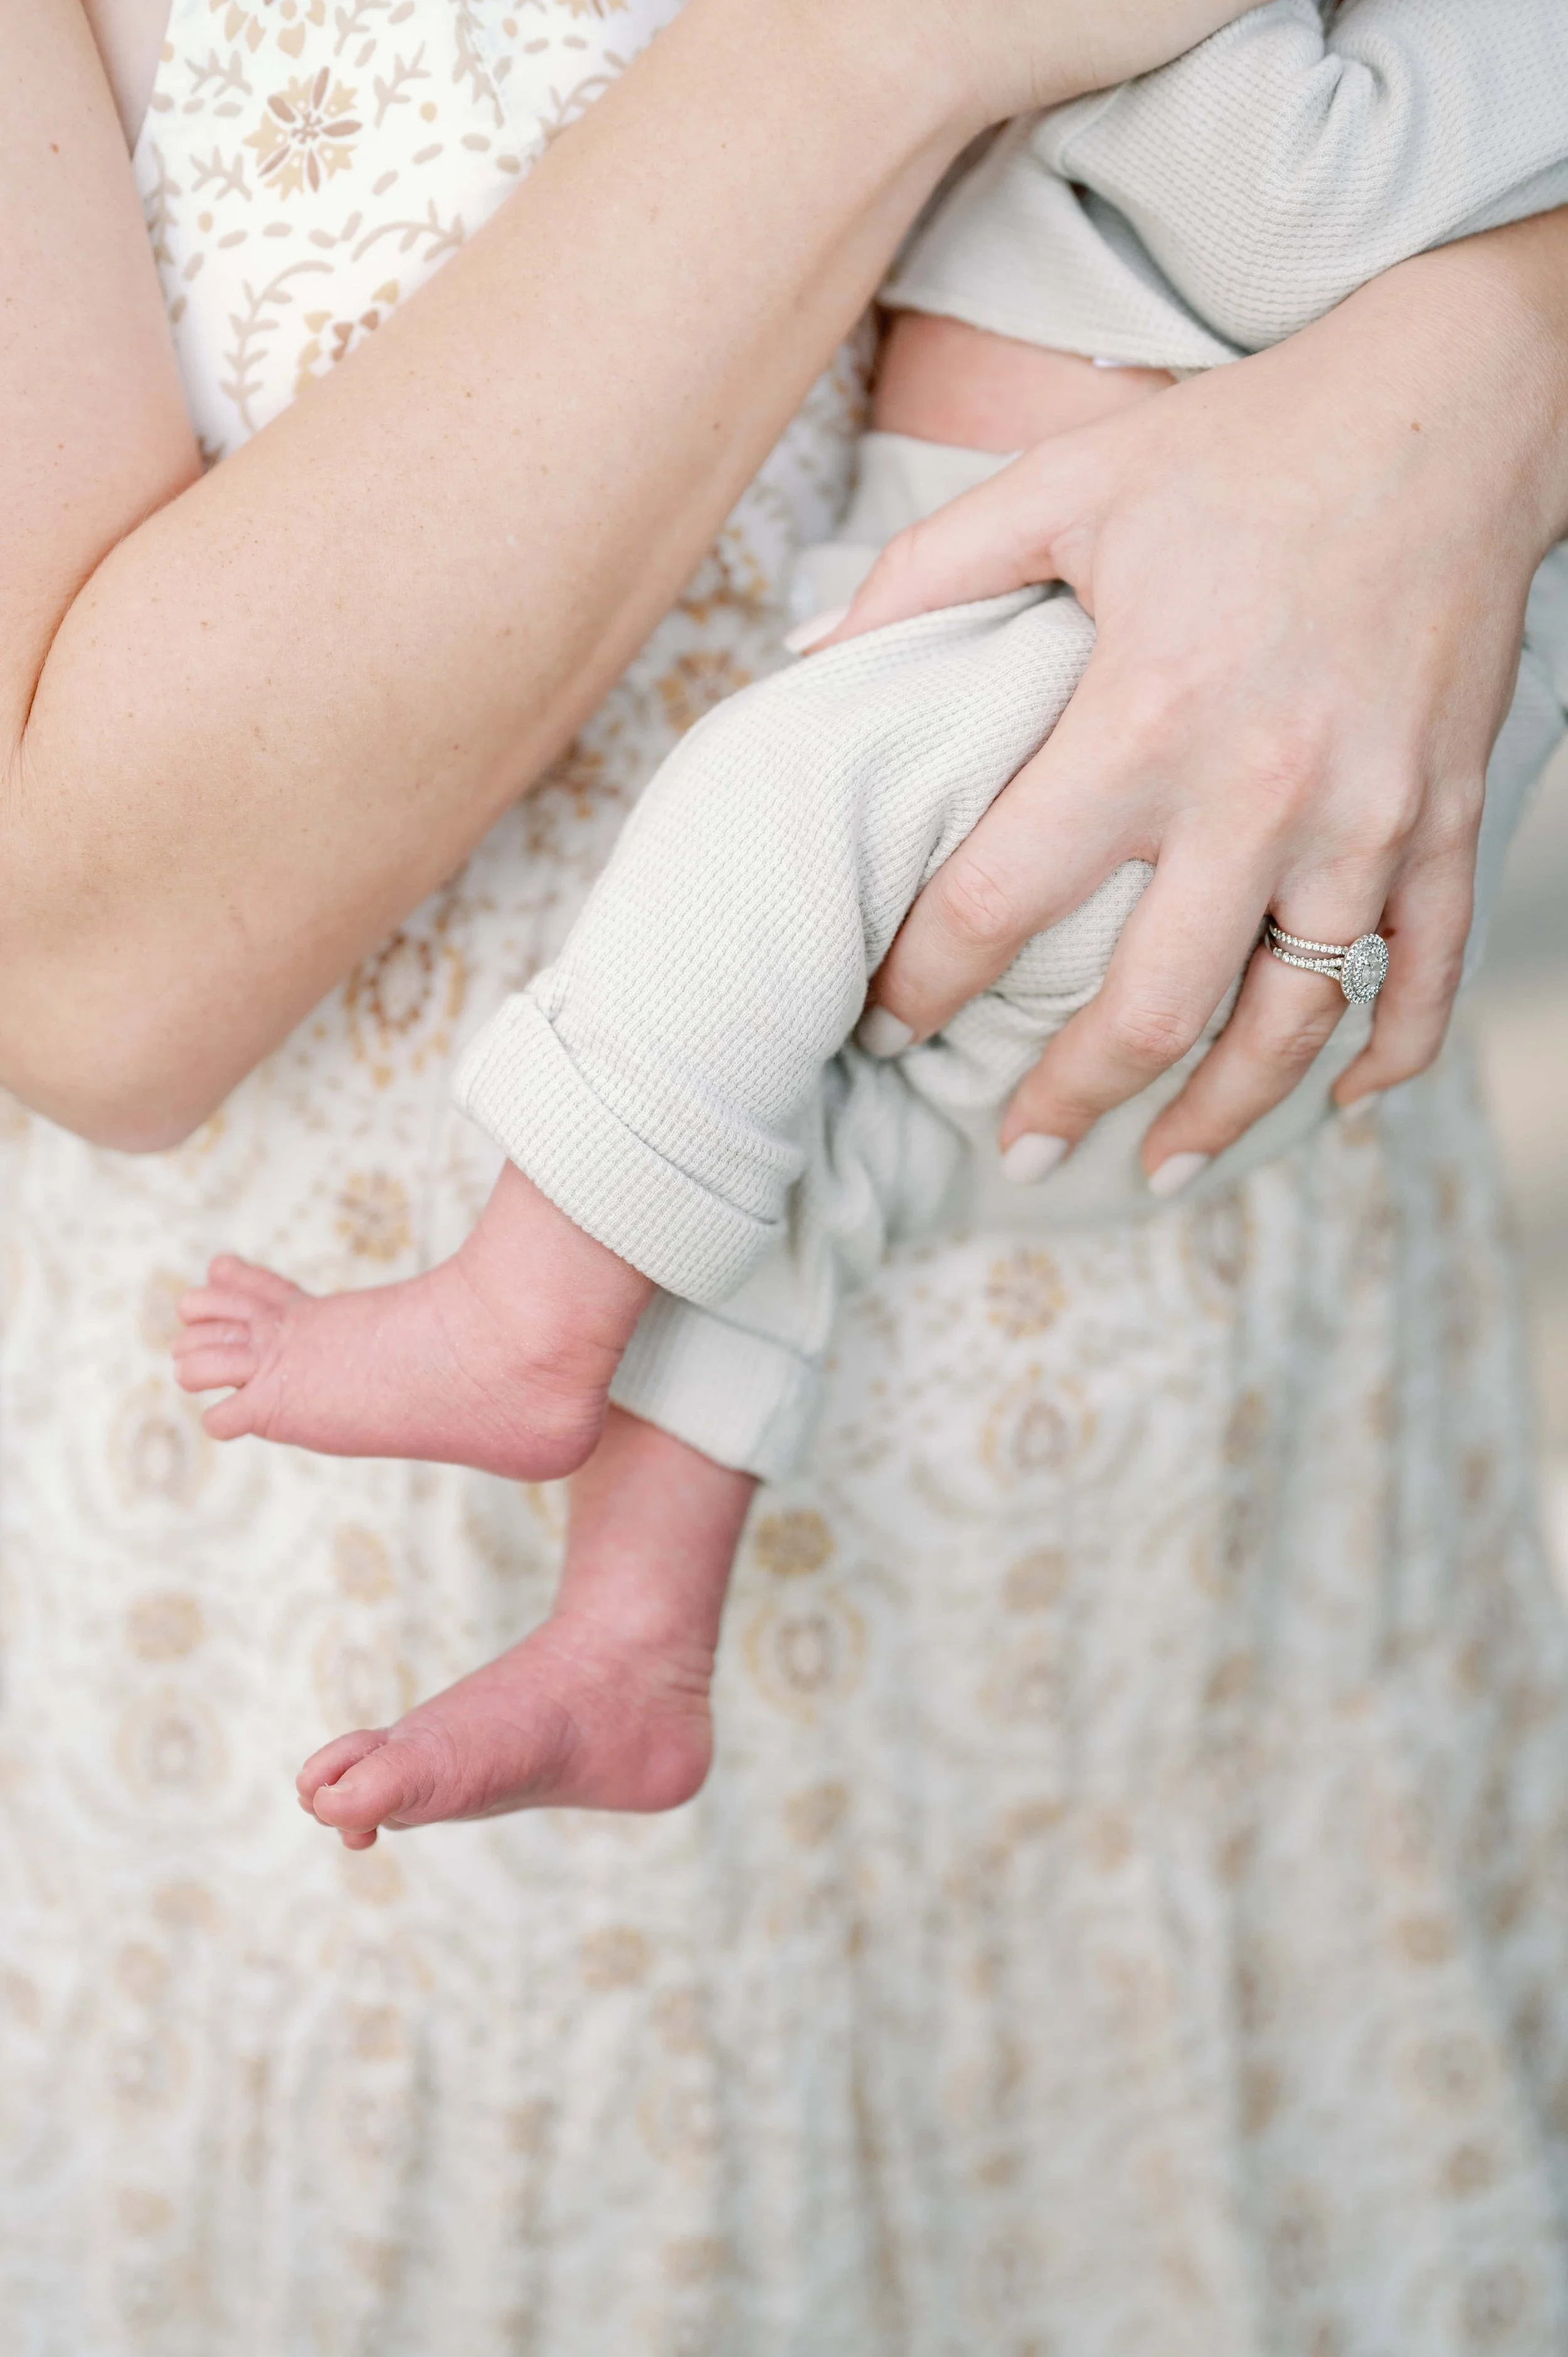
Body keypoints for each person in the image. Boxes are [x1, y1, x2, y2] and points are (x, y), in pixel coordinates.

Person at [4, 2, 1568, 2347]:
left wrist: (1482, 370)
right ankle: (625, 1604)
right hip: (365, 1785)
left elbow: (1385, 152)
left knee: (816, 902)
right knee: (827, 1044)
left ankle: (541, 1331)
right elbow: (89, 969)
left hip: (1216, 1508)